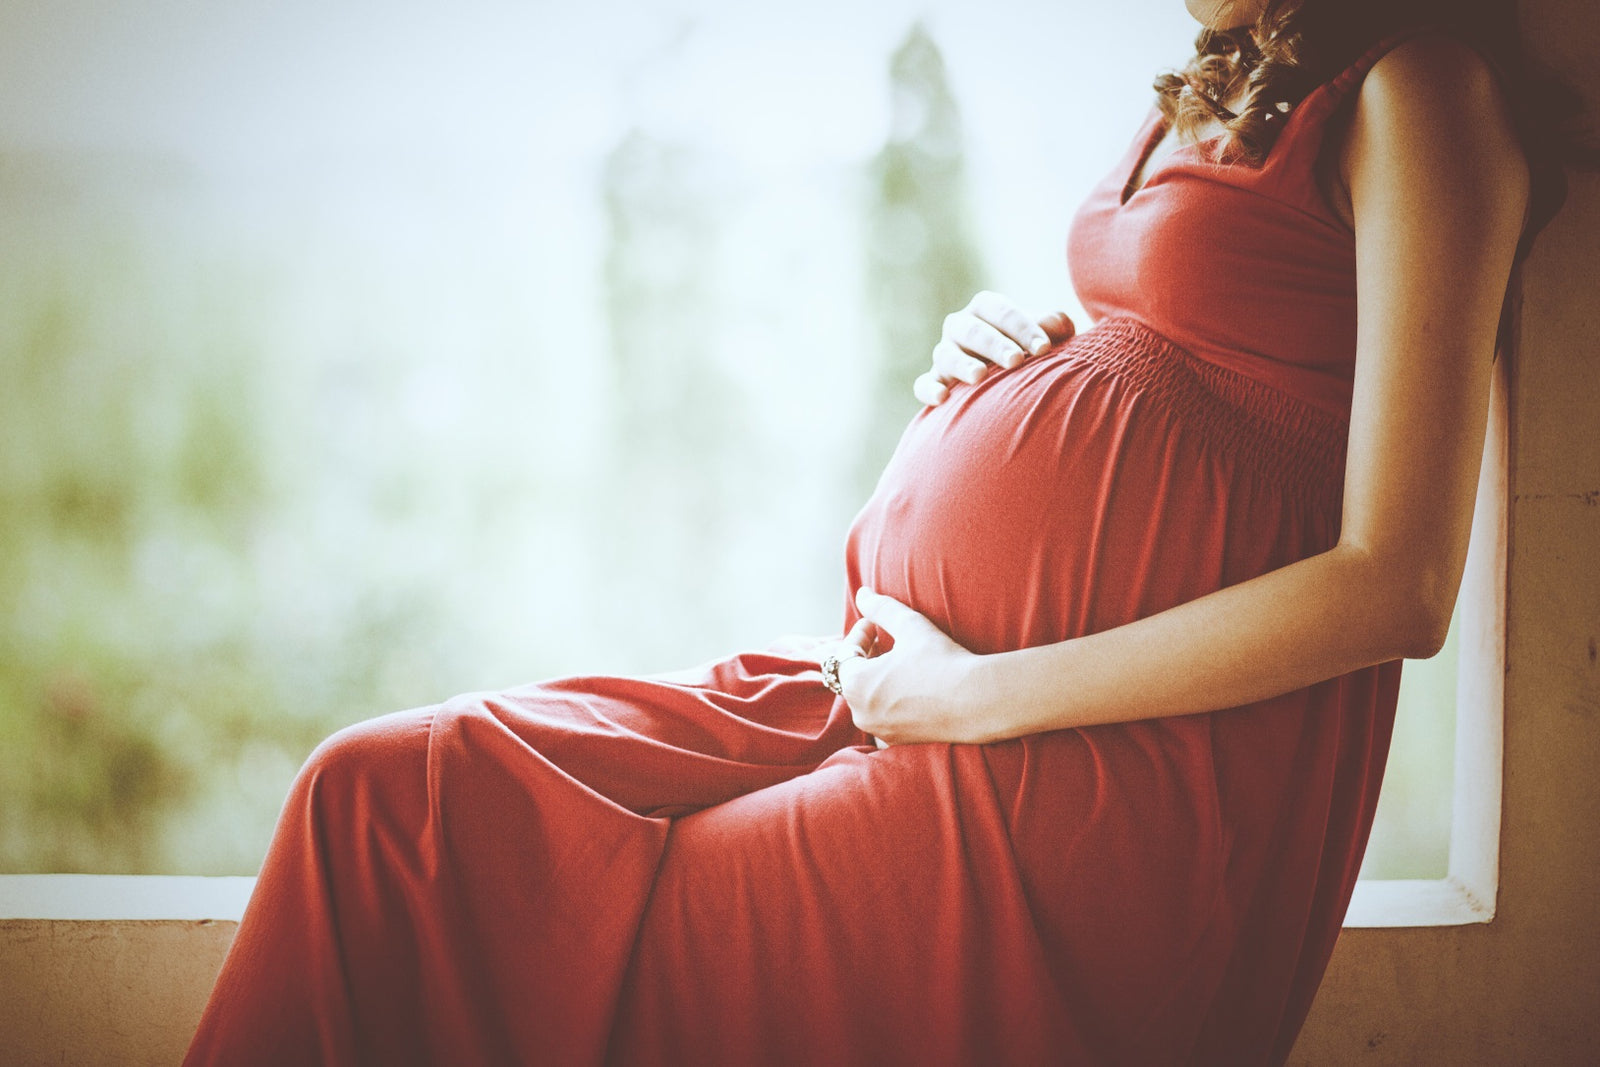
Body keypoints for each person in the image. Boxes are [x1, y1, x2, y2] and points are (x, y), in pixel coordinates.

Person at [185, 0, 1583, 1064]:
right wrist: (1017, 351)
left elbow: (1397, 584)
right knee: (385, 802)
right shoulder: (1226, 76)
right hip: (909, 702)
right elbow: (1193, 362)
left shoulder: (1423, 93)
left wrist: (976, 695)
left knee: (577, 926)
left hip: (1087, 791)